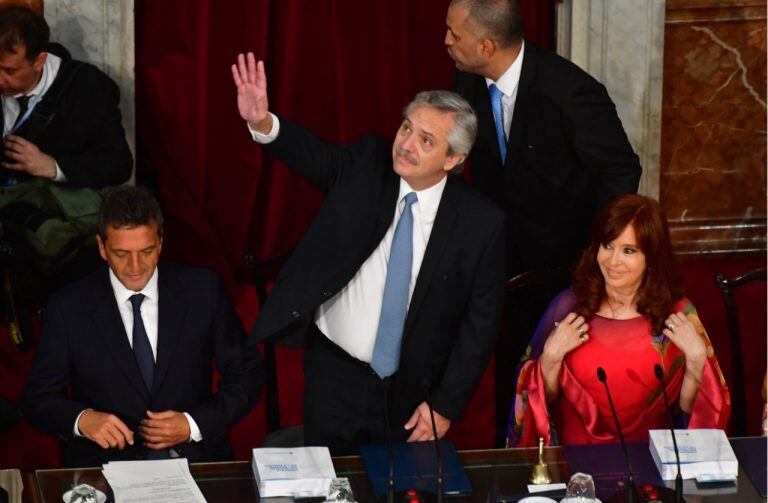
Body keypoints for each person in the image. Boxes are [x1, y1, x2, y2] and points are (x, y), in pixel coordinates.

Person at [232, 53, 505, 454]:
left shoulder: (481, 223)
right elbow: (314, 156)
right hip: (333, 373)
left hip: (411, 390)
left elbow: (480, 325)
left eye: (425, 141)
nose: (406, 145)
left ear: (453, 159)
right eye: (406, 128)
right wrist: (262, 122)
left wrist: (446, 405)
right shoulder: (367, 164)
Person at [445, 0, 643, 443]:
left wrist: (596, 256)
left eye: (454, 35)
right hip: (503, 261)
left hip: (563, 267)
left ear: (486, 44)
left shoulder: (570, 91)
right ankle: (509, 458)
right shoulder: (469, 79)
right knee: (510, 367)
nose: (446, 42)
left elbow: (621, 172)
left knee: (560, 377)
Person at [22, 186, 264, 467]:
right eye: (122, 253)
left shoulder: (203, 290)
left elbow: (247, 373)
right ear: (102, 247)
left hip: (193, 458)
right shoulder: (68, 307)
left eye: (146, 251)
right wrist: (83, 419)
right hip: (104, 465)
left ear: (160, 242)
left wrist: (193, 424)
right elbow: (38, 398)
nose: (135, 266)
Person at [507, 195, 730, 447]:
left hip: (652, 462)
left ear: (651, 259)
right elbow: (539, 401)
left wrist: (697, 359)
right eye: (607, 246)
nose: (613, 261)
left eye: (628, 251)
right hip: (577, 466)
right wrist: (550, 358)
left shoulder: (677, 313)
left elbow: (689, 411)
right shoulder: (568, 307)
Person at [0, 5, 132, 276]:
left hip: (52, 219)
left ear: (39, 60)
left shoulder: (89, 89)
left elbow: (119, 164)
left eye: (9, 71)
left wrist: (53, 166)